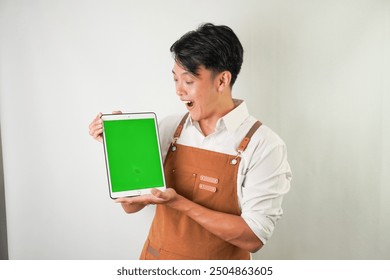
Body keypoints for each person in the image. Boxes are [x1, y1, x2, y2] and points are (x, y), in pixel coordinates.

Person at [88, 23, 292, 260]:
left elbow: (253, 237)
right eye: (175, 80)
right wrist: (123, 146)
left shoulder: (264, 145)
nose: (179, 91)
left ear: (222, 81)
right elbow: (131, 206)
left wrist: (179, 202)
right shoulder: (169, 128)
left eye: (188, 81)